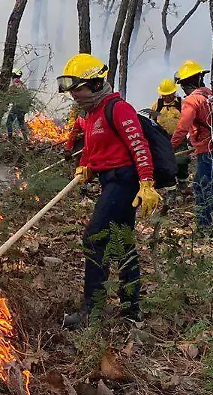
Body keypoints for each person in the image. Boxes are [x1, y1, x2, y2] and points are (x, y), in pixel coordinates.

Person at [58, 54, 162, 328]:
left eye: (77, 89)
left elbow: (139, 145)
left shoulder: (118, 109)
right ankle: (131, 308)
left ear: (94, 84)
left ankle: (91, 311)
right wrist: (84, 166)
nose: (73, 96)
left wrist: (147, 182)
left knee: (94, 238)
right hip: (108, 180)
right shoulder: (92, 114)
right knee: (123, 242)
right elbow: (91, 148)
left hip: (124, 182)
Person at [170, 60, 213, 241]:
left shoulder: (192, 101)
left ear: (187, 83)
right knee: (199, 185)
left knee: (212, 189)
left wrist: (169, 149)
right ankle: (204, 226)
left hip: (207, 151)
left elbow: (182, 128)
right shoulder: (211, 96)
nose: (182, 89)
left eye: (182, 84)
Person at [151, 78, 189, 193]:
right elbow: (152, 122)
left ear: (174, 92)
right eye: (164, 95)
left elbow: (189, 119)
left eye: (169, 94)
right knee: (166, 164)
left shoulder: (181, 104)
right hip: (163, 140)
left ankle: (183, 183)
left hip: (180, 138)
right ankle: (171, 189)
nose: (166, 97)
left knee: (182, 161)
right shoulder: (157, 105)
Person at [5, 69, 32, 141]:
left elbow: (8, 98)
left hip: (17, 107)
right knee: (21, 123)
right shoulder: (23, 85)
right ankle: (26, 139)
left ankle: (10, 139)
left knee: (8, 122)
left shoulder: (14, 86)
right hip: (23, 108)